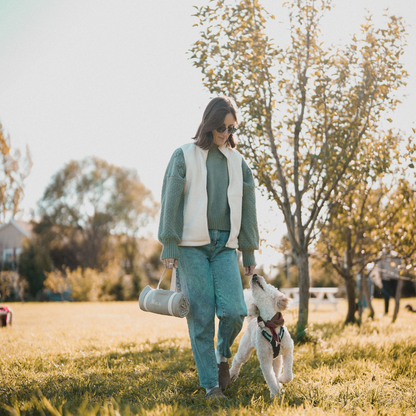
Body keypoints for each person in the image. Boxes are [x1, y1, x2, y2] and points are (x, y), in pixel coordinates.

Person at [158, 96, 259, 399]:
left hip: (225, 246)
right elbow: (170, 201)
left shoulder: (238, 163)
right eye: (221, 127)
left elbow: (249, 207)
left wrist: (249, 250)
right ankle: (211, 386)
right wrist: (169, 243)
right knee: (201, 316)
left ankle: (222, 356)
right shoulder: (184, 155)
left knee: (235, 311)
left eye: (231, 128)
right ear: (210, 123)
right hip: (191, 247)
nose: (226, 133)